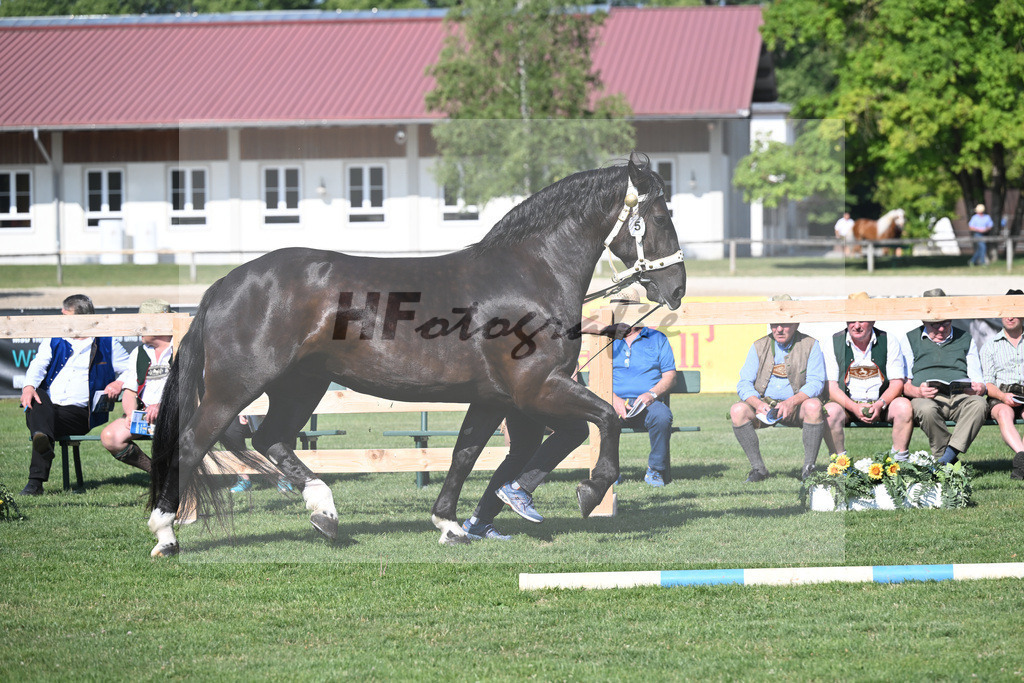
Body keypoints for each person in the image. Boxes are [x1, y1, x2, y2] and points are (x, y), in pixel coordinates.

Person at [20, 294, 130, 495]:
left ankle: (35, 482)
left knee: (41, 422)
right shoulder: (54, 338)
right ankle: (41, 443)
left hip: (80, 413)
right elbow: (39, 364)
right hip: (48, 406)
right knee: (38, 399)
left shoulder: (107, 342)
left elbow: (132, 369)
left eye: (66, 315)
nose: (62, 317)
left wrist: (119, 382)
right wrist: (28, 386)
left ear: (81, 318)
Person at [730, 294, 828, 482]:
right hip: (765, 406)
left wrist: (792, 402)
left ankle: (809, 469)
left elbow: (816, 383)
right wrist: (757, 404)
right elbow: (743, 384)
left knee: (814, 406)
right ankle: (758, 470)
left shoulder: (810, 345)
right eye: (774, 324)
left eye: (785, 324)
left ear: (796, 324)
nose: (779, 329)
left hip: (797, 405)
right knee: (737, 410)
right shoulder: (758, 346)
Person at [900, 288, 988, 464]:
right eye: (935, 324)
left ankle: (945, 458)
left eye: (946, 323)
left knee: (979, 404)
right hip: (927, 398)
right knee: (926, 409)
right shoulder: (910, 339)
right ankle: (946, 459)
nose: (941, 329)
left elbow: (979, 379)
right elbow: (904, 384)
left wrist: (979, 388)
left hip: (961, 397)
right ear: (924, 320)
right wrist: (918, 392)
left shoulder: (965, 338)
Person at [822, 293, 914, 460]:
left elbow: (896, 383)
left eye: (862, 320)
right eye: (851, 320)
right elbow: (831, 387)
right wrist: (854, 407)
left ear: (873, 320)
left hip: (882, 403)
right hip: (847, 405)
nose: (856, 326)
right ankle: (839, 465)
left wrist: (879, 404)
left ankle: (899, 464)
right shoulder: (833, 342)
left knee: (904, 406)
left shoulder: (889, 340)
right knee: (829, 411)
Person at [99, 298, 174, 474]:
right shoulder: (138, 352)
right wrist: (132, 413)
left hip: (177, 414)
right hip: (145, 416)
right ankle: (157, 474)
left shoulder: (183, 348)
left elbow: (190, 390)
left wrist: (162, 406)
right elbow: (130, 391)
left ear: (159, 325)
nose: (139, 328)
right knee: (110, 437)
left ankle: (175, 479)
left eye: (143, 324)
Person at [980, 289, 1024, 479]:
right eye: (1006, 310)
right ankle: (1022, 459)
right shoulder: (990, 345)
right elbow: (987, 384)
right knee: (1004, 412)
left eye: (1015, 310)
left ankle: (1021, 462)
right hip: (1001, 394)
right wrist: (1002, 396)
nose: (1010, 315)